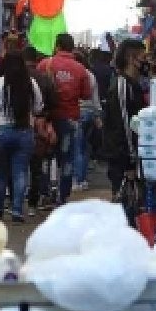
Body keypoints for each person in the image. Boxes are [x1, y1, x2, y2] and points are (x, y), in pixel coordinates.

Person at [38, 33, 95, 204]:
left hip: (47, 120)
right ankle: (63, 195)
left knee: (45, 157)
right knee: (67, 159)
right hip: (70, 119)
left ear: (57, 46)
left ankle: (45, 192)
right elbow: (86, 94)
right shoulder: (80, 69)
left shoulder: (44, 64)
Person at [0, 52, 44, 222]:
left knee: (1, 173)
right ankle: (17, 210)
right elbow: (38, 107)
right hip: (23, 131)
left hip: (1, 131)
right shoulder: (30, 83)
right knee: (20, 172)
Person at [103, 39, 147, 199]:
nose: (146, 61)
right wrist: (129, 160)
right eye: (143, 57)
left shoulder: (133, 84)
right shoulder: (122, 85)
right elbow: (123, 125)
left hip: (130, 155)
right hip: (123, 158)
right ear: (131, 59)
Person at [24, 46, 59, 211]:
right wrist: (48, 121)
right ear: (36, 60)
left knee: (17, 164)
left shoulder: (11, 76)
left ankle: (14, 199)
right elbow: (53, 102)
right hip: (39, 125)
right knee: (37, 165)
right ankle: (33, 199)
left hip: (16, 123)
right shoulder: (44, 78)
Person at [72, 51, 102, 192]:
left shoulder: (75, 73)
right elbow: (95, 97)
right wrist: (97, 115)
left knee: (77, 148)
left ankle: (77, 180)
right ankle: (83, 179)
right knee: (86, 148)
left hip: (78, 112)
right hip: (90, 113)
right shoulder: (91, 75)